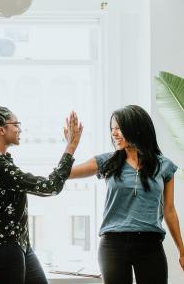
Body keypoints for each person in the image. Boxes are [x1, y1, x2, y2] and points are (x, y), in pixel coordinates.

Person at [0, 101, 83, 284]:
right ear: (1, 130)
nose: (20, 129)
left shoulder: (2, 161)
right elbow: (49, 186)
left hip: (18, 242)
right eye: (16, 124)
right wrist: (71, 147)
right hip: (3, 245)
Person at [68, 104, 184, 284]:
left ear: (137, 128)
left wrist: (182, 251)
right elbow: (65, 174)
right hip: (113, 244)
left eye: (119, 128)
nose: (114, 133)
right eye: (112, 129)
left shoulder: (164, 166)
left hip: (150, 244)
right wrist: (71, 147)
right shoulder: (107, 161)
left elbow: (169, 210)